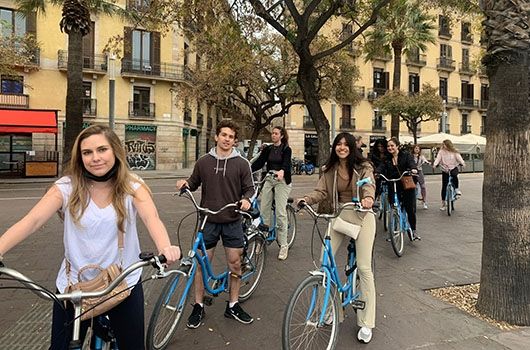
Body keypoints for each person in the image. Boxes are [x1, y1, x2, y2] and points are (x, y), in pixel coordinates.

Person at [0, 125, 181, 350]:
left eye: (102, 150)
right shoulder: (66, 187)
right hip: (73, 286)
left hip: (122, 282)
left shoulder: (132, 186)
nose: (95, 158)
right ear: (80, 157)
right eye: (87, 152)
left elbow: (152, 218)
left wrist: (165, 247)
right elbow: (32, 221)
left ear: (115, 151)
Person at [296, 132, 377, 344]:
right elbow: (320, 192)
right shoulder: (329, 169)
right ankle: (331, 309)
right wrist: (306, 200)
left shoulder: (363, 166)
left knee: (364, 267)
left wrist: (368, 198)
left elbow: (369, 184)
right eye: (338, 144)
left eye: (345, 144)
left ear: (352, 147)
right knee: (325, 262)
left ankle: (366, 322)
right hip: (339, 216)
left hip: (362, 216)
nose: (341, 147)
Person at [176, 119, 255, 329]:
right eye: (224, 135)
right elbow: (193, 182)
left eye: (231, 137)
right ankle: (198, 306)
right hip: (207, 220)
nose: (227, 139)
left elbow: (250, 188)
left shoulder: (241, 163)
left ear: (235, 141)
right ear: (216, 137)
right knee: (200, 264)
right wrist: (185, 184)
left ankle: (233, 304)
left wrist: (247, 200)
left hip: (232, 220)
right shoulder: (203, 162)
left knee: (235, 264)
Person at [251, 126, 292, 260]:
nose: (273, 135)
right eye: (272, 133)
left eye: (276, 133)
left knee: (280, 213)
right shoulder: (268, 149)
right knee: (263, 211)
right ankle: (262, 240)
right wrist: (246, 169)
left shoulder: (286, 149)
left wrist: (282, 171)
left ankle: (284, 245)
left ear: (281, 136)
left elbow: (286, 164)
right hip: (269, 179)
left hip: (282, 180)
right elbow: (259, 163)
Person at [376, 137, 420, 240]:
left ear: (397, 146)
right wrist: (377, 172)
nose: (390, 148)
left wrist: (413, 169)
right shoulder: (387, 158)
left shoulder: (406, 155)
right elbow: (381, 166)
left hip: (405, 183)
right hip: (392, 183)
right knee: (393, 207)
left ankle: (413, 230)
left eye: (392, 146)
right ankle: (394, 231)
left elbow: (411, 163)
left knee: (410, 208)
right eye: (388, 146)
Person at [432, 139, 465, 210]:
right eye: (442, 144)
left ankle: (456, 189)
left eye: (444, 144)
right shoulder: (441, 152)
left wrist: (463, 163)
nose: (443, 146)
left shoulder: (454, 151)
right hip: (445, 169)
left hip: (453, 167)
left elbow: (459, 158)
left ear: (448, 144)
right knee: (444, 186)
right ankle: (443, 204)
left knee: (454, 176)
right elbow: (438, 159)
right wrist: (435, 164)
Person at [412, 144, 431, 210]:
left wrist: (427, 162)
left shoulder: (421, 156)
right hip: (412, 173)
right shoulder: (410, 156)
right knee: (411, 187)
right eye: (416, 148)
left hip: (419, 171)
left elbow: (425, 160)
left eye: (418, 149)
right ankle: (412, 201)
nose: (417, 150)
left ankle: (424, 201)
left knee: (423, 186)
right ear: (413, 149)